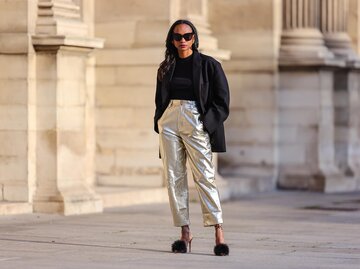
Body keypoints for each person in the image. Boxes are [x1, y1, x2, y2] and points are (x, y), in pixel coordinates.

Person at [153, 19, 230, 256]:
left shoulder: (209, 65)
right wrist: (160, 120)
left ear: (194, 38)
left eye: (187, 36)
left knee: (205, 176)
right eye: (178, 37)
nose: (183, 41)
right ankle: (185, 233)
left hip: (196, 120)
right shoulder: (165, 67)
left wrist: (206, 124)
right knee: (174, 177)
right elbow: (160, 100)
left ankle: (219, 232)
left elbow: (223, 100)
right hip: (169, 121)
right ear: (172, 40)